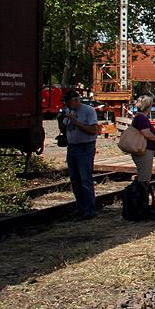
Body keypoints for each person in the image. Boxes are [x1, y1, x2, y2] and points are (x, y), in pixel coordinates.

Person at [62, 90, 99, 219]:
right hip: (72, 147)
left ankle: (89, 210)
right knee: (75, 180)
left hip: (85, 148)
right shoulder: (69, 111)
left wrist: (75, 122)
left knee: (85, 179)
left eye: (68, 102)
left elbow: (94, 130)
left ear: (75, 100)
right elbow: (65, 128)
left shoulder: (88, 111)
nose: (67, 105)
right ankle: (80, 207)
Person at [131, 95, 155, 188]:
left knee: (143, 175)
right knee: (144, 176)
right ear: (148, 106)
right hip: (144, 150)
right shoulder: (142, 118)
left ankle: (141, 196)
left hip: (145, 150)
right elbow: (145, 132)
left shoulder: (139, 117)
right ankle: (142, 198)